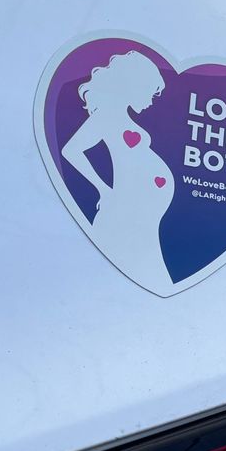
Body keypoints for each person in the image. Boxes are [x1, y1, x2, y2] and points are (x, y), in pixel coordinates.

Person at [61, 51, 174, 289]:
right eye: (150, 92)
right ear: (135, 86)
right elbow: (71, 150)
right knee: (144, 275)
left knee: (148, 274)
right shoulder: (108, 116)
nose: (151, 101)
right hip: (124, 213)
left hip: (140, 218)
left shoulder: (120, 118)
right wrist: (104, 189)